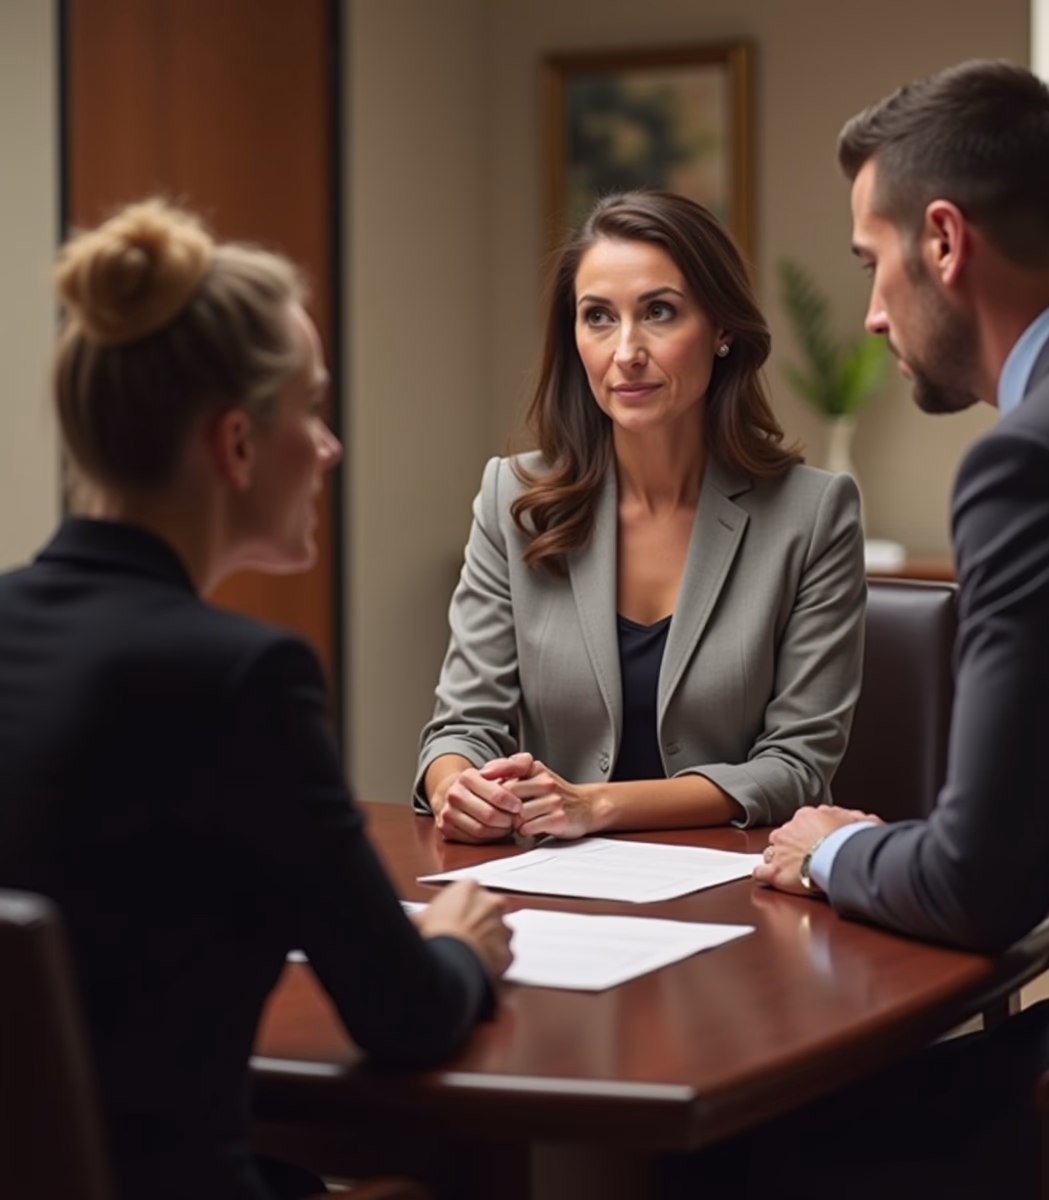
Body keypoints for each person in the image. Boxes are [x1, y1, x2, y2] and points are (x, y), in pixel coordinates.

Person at [747, 60, 1049, 1198]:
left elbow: (978, 887)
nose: (870, 312)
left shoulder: (1037, 463)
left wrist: (830, 849)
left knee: (730, 1159)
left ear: (943, 242)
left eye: (872, 263)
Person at [0, 199, 512, 1200]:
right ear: (235, 446)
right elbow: (402, 1016)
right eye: (312, 411)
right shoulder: (241, 680)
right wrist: (458, 949)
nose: (330, 447)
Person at [415, 190, 866, 844]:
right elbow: (461, 725)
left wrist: (598, 805)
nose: (626, 350)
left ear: (722, 330)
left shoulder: (814, 514)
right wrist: (457, 786)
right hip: (551, 886)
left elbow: (794, 764)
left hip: (739, 890)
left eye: (659, 312)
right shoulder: (512, 499)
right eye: (598, 317)